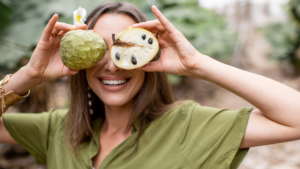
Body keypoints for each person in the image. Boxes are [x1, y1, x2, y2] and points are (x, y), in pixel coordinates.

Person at [0, 1, 299, 169]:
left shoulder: (188, 126)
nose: (113, 64)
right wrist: (31, 74)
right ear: (81, 62)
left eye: (125, 50)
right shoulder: (57, 130)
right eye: (100, 50)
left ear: (148, 57)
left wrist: (198, 64)